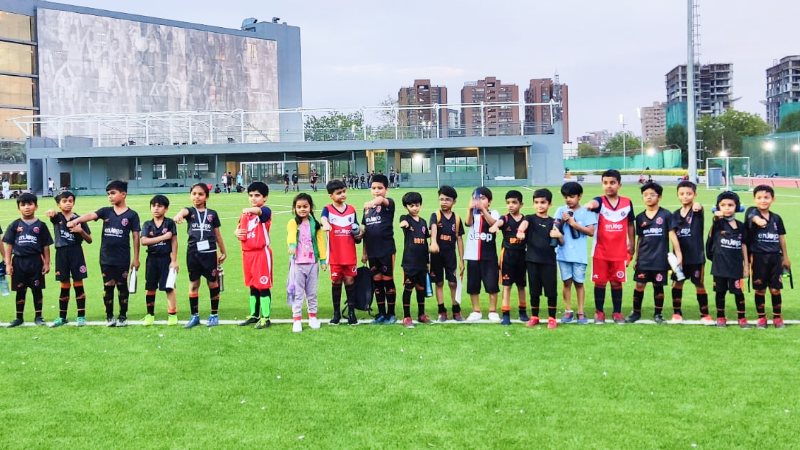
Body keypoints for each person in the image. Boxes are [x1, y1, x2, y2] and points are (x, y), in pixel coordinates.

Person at [67, 180, 140, 327]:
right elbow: (91, 215)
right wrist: (76, 221)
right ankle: (109, 316)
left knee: (122, 286)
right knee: (108, 285)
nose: (110, 196)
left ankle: (123, 316)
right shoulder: (106, 211)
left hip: (122, 257)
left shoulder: (132, 215)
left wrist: (136, 258)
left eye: (113, 193)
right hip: (106, 257)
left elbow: (136, 236)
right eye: (108, 194)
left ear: (123, 194)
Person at [625, 182, 682, 324]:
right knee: (639, 285)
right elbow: (640, 239)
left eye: (652, 195)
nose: (649, 197)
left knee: (658, 286)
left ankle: (658, 314)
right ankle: (636, 312)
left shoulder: (666, 215)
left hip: (660, 258)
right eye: (645, 195)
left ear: (659, 197)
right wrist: (636, 258)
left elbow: (672, 235)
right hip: (644, 259)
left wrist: (678, 254)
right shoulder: (640, 217)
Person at [583, 169, 635, 324]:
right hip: (601, 251)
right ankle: (599, 312)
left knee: (616, 282)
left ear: (619, 185)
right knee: (600, 282)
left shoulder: (627, 202)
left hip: (619, 252)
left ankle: (617, 312)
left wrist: (632, 244)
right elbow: (594, 203)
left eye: (612, 183)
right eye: (605, 183)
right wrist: (590, 204)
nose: (609, 186)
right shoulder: (599, 201)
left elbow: (630, 224)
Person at [173, 183, 227, 328]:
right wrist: (179, 214)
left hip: (209, 254)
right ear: (190, 196)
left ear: (206, 197)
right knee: (194, 283)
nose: (197, 197)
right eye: (194, 194)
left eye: (201, 194)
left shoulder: (212, 214)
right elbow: (183, 211)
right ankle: (194, 316)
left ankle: (214, 314)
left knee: (212, 283)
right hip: (193, 254)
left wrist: (223, 251)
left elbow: (217, 234)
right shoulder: (190, 212)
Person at [3, 193, 53, 327]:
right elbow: (9, 245)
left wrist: (46, 263)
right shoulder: (14, 225)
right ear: (18, 208)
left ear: (36, 207)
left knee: (37, 289)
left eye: (30, 204)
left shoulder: (41, 225)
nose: (27, 207)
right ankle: (19, 317)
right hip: (18, 262)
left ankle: (38, 316)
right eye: (23, 205)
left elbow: (46, 246)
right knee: (20, 290)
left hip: (36, 261)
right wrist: (8, 264)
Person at [745, 185, 790, 328]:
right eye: (759, 198)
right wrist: (757, 220)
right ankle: (761, 317)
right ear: (754, 199)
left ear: (773, 199)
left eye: (766, 197)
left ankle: (777, 317)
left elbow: (781, 238)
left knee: (775, 289)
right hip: (758, 258)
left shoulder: (776, 218)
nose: (763, 200)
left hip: (775, 258)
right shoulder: (751, 213)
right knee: (760, 289)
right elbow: (751, 216)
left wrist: (785, 257)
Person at [46, 191, 92, 327]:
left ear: (74, 203)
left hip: (76, 252)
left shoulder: (79, 219)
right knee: (64, 284)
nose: (68, 204)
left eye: (70, 201)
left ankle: (81, 316)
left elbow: (89, 239)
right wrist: (51, 212)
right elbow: (52, 215)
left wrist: (80, 231)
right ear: (58, 205)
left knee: (78, 283)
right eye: (64, 201)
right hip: (61, 254)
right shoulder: (57, 217)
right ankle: (62, 317)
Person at [554, 182, 597, 325]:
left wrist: (573, 224)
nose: (568, 200)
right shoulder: (560, 210)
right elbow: (555, 229)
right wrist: (562, 222)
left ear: (580, 196)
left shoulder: (587, 212)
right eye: (566, 197)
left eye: (572, 197)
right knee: (566, 282)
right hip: (563, 253)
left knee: (579, 283)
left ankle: (581, 311)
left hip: (579, 254)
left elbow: (590, 232)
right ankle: (568, 310)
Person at [517, 189, 560, 328]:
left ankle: (552, 318)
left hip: (549, 261)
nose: (539, 205)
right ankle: (534, 316)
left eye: (543, 202)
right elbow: (523, 225)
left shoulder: (553, 222)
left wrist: (559, 235)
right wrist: (520, 231)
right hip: (532, 260)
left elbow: (561, 241)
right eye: (536, 202)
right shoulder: (529, 218)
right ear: (533, 204)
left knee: (551, 291)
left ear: (549, 204)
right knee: (534, 290)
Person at [671, 181, 712, 325]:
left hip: (696, 256)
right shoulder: (675, 214)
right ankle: (677, 313)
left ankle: (705, 314)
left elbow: (699, 207)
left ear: (695, 195)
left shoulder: (697, 211)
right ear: (677, 195)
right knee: (677, 283)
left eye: (689, 194)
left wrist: (698, 205)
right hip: (679, 258)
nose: (685, 196)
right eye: (682, 194)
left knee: (699, 283)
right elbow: (672, 233)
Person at [320, 179, 361, 325]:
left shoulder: (351, 209)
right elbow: (323, 218)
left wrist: (359, 235)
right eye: (339, 193)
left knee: (350, 281)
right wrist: (325, 224)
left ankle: (351, 313)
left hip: (349, 254)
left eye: (344, 191)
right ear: (331, 196)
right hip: (335, 255)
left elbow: (356, 229)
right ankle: (336, 313)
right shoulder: (327, 209)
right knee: (336, 282)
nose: (343, 195)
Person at [234, 182, 273, 329]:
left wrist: (250, 209)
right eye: (250, 195)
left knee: (263, 285)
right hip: (247, 254)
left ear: (265, 197)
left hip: (261, 253)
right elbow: (239, 228)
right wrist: (236, 232)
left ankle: (265, 317)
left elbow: (260, 212)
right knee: (252, 285)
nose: (253, 198)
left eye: (257, 195)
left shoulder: (265, 211)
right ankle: (254, 315)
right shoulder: (245, 216)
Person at [707, 191, 749, 328]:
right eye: (723, 205)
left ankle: (742, 317)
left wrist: (746, 265)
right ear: (718, 207)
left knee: (738, 293)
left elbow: (744, 245)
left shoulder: (741, 226)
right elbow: (713, 227)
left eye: (730, 205)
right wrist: (716, 217)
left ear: (737, 207)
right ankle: (720, 317)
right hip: (719, 267)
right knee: (720, 292)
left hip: (736, 266)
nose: (727, 208)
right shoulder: (718, 224)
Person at [287, 193, 327, 332]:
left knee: (312, 293)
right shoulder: (293, 223)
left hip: (312, 263)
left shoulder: (315, 224)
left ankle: (312, 317)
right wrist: (292, 245)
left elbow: (320, 242)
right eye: (299, 207)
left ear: (311, 207)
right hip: (297, 264)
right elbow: (291, 235)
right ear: (295, 208)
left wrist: (323, 259)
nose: (302, 209)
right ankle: (297, 319)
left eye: (305, 206)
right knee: (298, 293)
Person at [488, 190, 529, 325]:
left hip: (522, 256)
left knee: (521, 285)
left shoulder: (525, 220)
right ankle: (506, 313)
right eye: (508, 203)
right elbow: (499, 222)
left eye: (514, 202)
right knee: (507, 286)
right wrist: (495, 226)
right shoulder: (505, 218)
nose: (511, 205)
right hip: (507, 256)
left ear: (521, 204)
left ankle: (523, 311)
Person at [362, 174, 397, 324]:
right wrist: (364, 253)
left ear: (386, 190)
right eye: (373, 188)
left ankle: (391, 313)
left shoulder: (389, 204)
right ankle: (381, 313)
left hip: (386, 250)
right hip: (372, 252)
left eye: (380, 188)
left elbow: (381, 200)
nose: (376, 191)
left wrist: (372, 202)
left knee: (388, 281)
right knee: (377, 282)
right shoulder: (366, 210)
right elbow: (366, 231)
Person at [140, 195, 179, 326]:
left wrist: (174, 260)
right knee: (150, 287)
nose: (156, 208)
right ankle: (150, 314)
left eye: (160, 206)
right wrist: (163, 237)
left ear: (166, 209)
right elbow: (144, 241)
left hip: (166, 259)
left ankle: (172, 314)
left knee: (169, 287)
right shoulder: (147, 224)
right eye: (153, 206)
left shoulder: (170, 223)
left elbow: (174, 241)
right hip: (151, 259)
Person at [463, 186, 501, 322]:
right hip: (472, 255)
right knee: (473, 285)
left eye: (482, 198)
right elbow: (468, 223)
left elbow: (493, 223)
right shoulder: (473, 214)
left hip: (489, 256)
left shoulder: (493, 213)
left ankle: (493, 310)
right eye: (476, 198)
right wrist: (469, 209)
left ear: (489, 202)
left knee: (492, 284)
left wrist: (483, 210)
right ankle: (476, 310)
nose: (478, 201)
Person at [429, 185, 465, 322]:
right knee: (438, 283)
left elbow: (459, 239)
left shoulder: (457, 218)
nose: (444, 202)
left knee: (452, 283)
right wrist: (433, 242)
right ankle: (441, 311)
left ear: (454, 202)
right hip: (437, 255)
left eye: (447, 199)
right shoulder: (436, 216)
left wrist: (462, 260)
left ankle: (456, 310)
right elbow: (433, 228)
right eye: (441, 199)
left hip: (450, 255)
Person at [398, 191, 430, 328]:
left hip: (422, 263)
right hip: (409, 263)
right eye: (411, 206)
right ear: (406, 207)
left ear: (420, 205)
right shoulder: (405, 218)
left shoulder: (423, 222)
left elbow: (426, 241)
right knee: (408, 288)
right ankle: (406, 316)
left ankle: (421, 314)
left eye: (417, 205)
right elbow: (402, 222)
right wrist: (404, 224)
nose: (415, 208)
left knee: (421, 289)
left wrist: (428, 262)